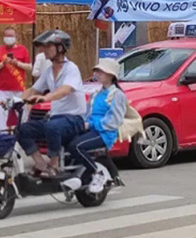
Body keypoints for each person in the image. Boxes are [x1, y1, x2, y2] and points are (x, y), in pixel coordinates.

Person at [16, 29, 86, 177]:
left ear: (60, 48)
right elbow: (33, 90)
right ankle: (41, 164)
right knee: (22, 129)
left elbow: (65, 90)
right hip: (56, 119)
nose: (45, 50)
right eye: (44, 47)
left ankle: (54, 165)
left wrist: (46, 98)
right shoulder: (48, 71)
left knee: (51, 126)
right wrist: (13, 101)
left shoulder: (71, 69)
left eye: (49, 46)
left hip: (74, 119)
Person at [67, 58, 127, 193]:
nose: (97, 74)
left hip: (104, 133)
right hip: (92, 129)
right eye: (97, 71)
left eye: (101, 72)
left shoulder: (117, 95)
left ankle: (97, 173)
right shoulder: (96, 94)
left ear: (110, 75)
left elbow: (114, 121)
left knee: (76, 146)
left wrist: (91, 125)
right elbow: (87, 113)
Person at [0, 26, 32, 131]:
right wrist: (3, 64)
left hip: (19, 89)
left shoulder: (23, 50)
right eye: (7, 36)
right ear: (3, 37)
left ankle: (24, 136)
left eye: (11, 36)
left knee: (23, 116)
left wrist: (17, 63)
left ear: (15, 37)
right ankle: (1, 136)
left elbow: (29, 67)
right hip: (3, 90)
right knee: (1, 117)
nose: (9, 38)